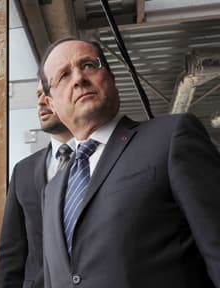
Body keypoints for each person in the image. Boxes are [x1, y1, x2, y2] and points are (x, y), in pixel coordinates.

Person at [39, 36, 220, 288]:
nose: (79, 78)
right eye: (64, 75)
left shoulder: (171, 137)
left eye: (89, 65)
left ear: (111, 78)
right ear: (51, 104)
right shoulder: (52, 190)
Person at [0, 79, 73, 288]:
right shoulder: (23, 171)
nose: (41, 102)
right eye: (38, 95)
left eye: (48, 92)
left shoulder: (107, 154)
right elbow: (10, 253)